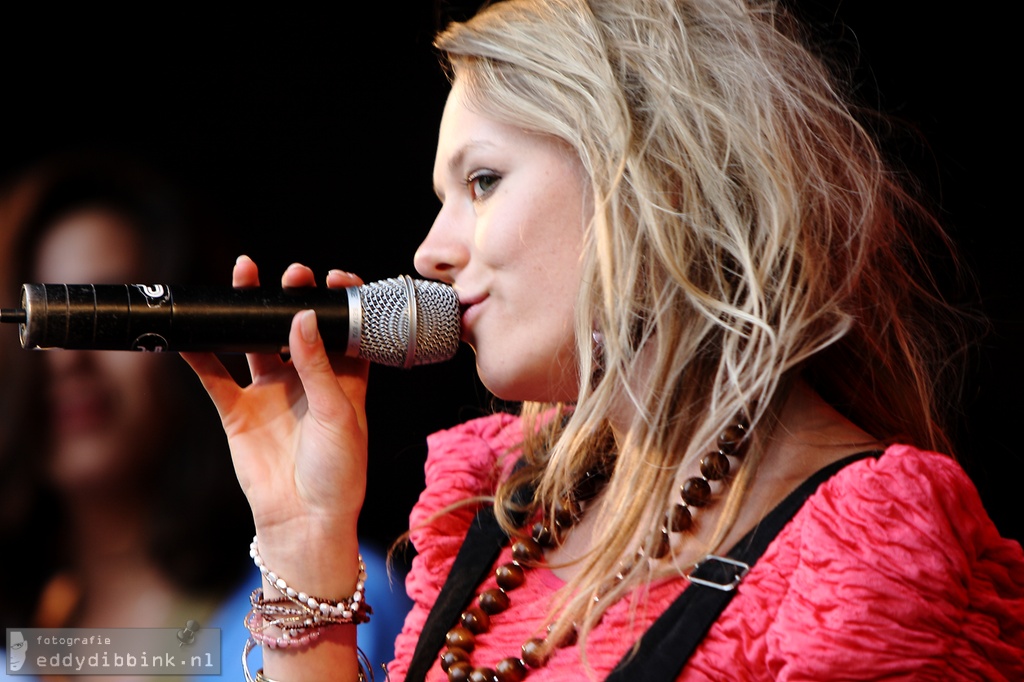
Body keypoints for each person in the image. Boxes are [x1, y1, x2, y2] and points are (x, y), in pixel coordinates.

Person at [182, 0, 1024, 680]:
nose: (429, 251)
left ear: (653, 172)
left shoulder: (859, 547)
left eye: (482, 181)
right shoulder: (499, 506)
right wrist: (305, 539)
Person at [0, 152, 410, 680]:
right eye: (45, 326)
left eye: (100, 321)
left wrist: (308, 556)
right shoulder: (21, 638)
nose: (66, 361)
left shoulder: (342, 599)